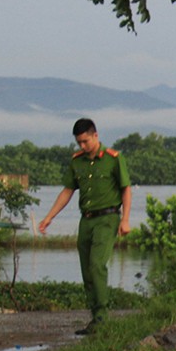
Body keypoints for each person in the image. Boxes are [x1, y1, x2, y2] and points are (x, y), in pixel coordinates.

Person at [37, 118, 132, 334]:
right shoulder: (77, 162)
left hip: (107, 218)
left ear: (95, 135)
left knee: (97, 264)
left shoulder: (113, 159)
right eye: (79, 142)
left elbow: (126, 189)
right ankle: (95, 316)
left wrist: (125, 220)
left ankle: (102, 316)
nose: (82, 146)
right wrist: (49, 217)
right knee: (87, 269)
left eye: (86, 141)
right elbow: (68, 191)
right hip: (86, 220)